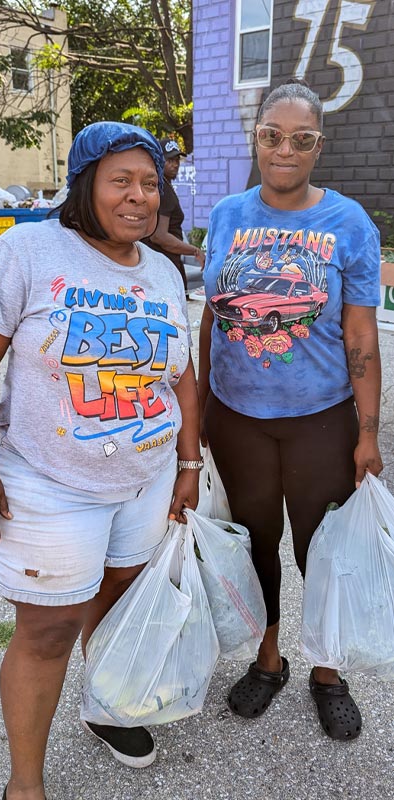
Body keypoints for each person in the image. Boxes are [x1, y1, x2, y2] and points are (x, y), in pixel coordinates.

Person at [0, 121, 203, 800]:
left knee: (118, 601)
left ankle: (104, 707)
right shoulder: (28, 249)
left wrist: (188, 466)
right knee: (48, 627)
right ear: (85, 182)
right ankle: (24, 786)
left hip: (145, 479)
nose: (139, 196)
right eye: (121, 180)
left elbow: (178, 376)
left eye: (150, 183)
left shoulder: (159, 268)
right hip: (50, 480)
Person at [198, 82, 383, 741]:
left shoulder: (349, 223)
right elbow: (210, 318)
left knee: (323, 549)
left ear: (318, 146)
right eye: (272, 134)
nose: (284, 149)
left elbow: (361, 335)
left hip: (321, 419)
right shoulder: (223, 215)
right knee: (255, 544)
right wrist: (200, 411)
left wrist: (368, 433)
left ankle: (328, 671)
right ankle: (268, 657)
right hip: (237, 418)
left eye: (301, 139)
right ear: (256, 135)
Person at [144, 137, 205, 292]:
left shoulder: (161, 187)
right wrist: (195, 250)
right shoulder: (162, 190)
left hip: (160, 265)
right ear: (158, 160)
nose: (175, 164)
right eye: (169, 160)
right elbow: (159, 236)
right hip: (165, 267)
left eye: (177, 159)